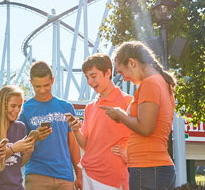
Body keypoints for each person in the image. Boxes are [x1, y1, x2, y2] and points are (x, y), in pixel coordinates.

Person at [101, 41, 176, 189]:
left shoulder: (150, 84)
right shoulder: (161, 83)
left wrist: (121, 115)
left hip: (148, 169)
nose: (124, 79)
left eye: (122, 72)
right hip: (152, 168)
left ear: (131, 63)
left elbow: (146, 128)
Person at [67, 53, 132, 190]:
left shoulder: (128, 102)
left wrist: (129, 156)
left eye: (93, 76)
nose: (90, 82)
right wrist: (75, 130)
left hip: (112, 177)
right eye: (87, 77)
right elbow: (86, 145)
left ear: (108, 72)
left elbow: (143, 136)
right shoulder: (90, 107)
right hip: (88, 173)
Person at [18, 61, 82, 190]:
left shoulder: (66, 107)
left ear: (52, 81)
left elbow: (73, 144)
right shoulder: (24, 109)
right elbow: (20, 146)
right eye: (37, 86)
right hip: (37, 175)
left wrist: (79, 174)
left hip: (65, 176)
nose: (42, 90)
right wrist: (34, 137)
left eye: (46, 85)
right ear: (31, 83)